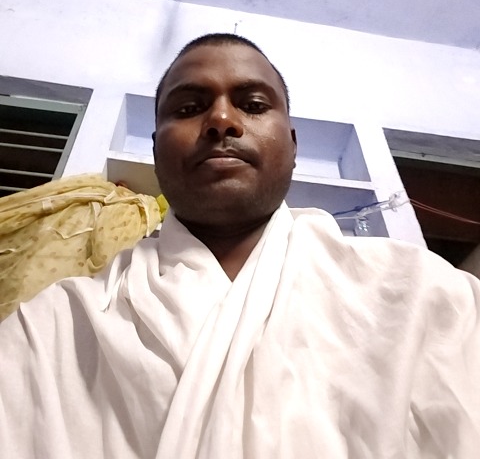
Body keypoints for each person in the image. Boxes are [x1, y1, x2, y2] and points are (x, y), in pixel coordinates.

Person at [1, 33, 480, 458]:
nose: (221, 120)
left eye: (252, 104)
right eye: (188, 109)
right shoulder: (53, 327)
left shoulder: (423, 294)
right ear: (156, 149)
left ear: (292, 144)